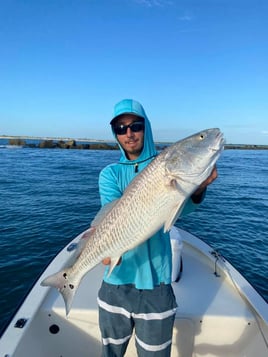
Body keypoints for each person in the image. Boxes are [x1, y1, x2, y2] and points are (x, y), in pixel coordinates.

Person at [97, 99, 218, 357]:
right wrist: (103, 251)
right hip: (115, 284)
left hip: (157, 286)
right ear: (115, 134)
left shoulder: (165, 165)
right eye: (120, 128)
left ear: (146, 127)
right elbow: (114, 218)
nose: (128, 133)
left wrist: (199, 187)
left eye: (135, 125)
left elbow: (180, 208)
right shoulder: (110, 174)